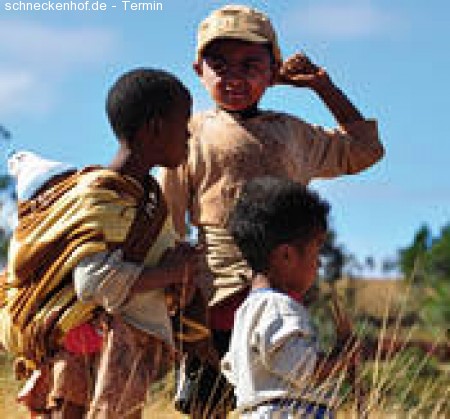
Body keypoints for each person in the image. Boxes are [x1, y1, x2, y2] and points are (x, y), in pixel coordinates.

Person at [160, 3, 384, 416]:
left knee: (288, 394)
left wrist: (322, 86)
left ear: (274, 71)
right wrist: (178, 295)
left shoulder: (293, 132)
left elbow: (366, 150)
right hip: (215, 292)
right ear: (198, 70)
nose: (234, 77)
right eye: (220, 64)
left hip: (286, 290)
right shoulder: (190, 134)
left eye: (251, 65)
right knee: (208, 403)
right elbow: (169, 220)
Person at [1, 68, 198, 418]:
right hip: (89, 358)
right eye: (183, 123)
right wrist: (170, 271)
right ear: (154, 128)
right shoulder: (103, 196)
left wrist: (177, 275)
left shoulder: (147, 201)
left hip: (111, 359)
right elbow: (93, 283)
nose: (188, 134)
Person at [222, 176, 355, 418]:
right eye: (317, 249)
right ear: (286, 256)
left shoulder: (247, 311)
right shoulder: (278, 306)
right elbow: (304, 368)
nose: (319, 262)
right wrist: (343, 356)